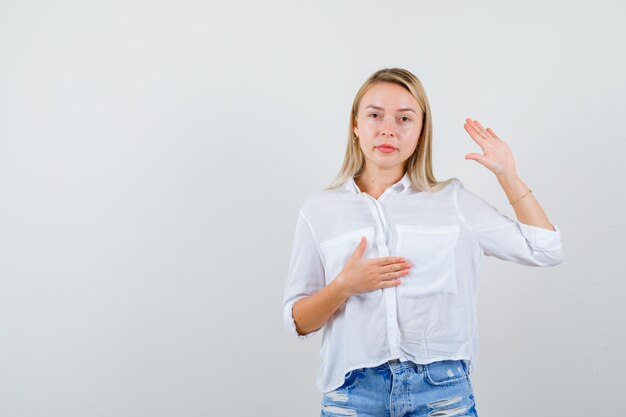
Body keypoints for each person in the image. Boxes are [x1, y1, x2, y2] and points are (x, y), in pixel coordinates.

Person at [282, 67, 563, 417]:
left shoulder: (453, 201)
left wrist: (507, 175)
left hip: (441, 394)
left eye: (404, 118)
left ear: (420, 132)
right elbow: (298, 321)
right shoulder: (319, 210)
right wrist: (344, 286)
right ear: (355, 125)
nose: (388, 129)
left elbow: (545, 250)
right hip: (352, 397)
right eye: (374, 115)